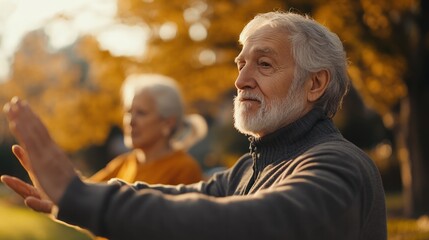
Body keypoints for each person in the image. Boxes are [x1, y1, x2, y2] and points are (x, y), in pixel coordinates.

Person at [1, 11, 387, 240]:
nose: (240, 81)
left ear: (315, 84)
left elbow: (243, 224)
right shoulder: (250, 169)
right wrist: (75, 195)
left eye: (264, 65)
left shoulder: (338, 165)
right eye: (241, 65)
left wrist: (81, 198)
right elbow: (182, 198)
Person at [88, 73, 205, 185]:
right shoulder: (122, 164)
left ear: (168, 123)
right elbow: (82, 192)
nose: (130, 121)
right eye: (128, 112)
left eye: (141, 113)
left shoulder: (184, 169)